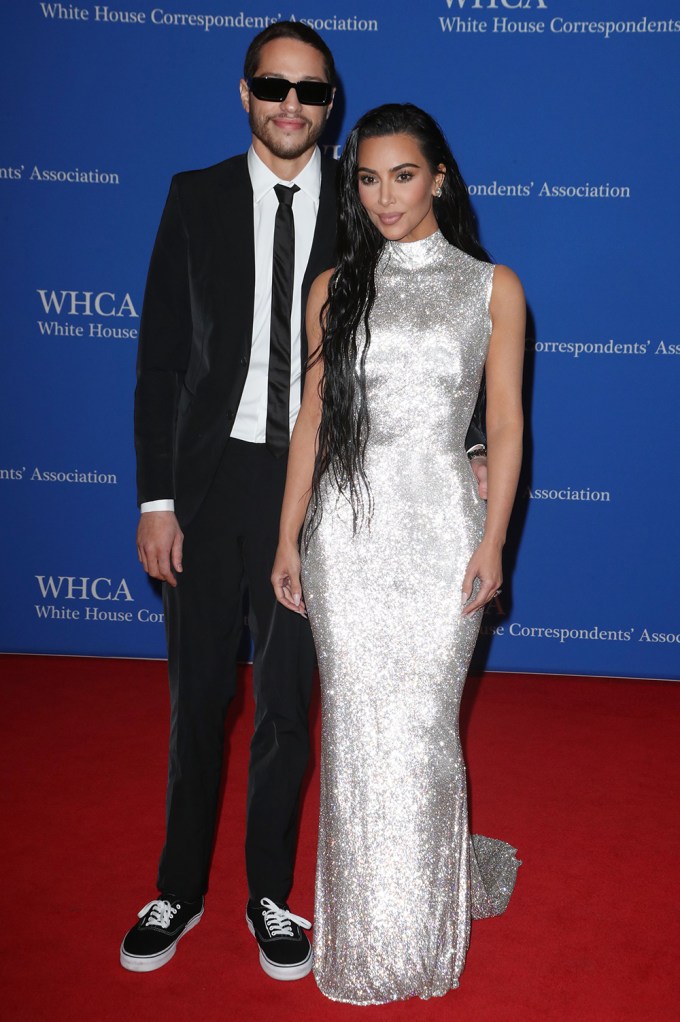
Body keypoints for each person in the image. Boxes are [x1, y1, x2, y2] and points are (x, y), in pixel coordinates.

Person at [123, 23, 487, 978]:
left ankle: (271, 897)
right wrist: (155, 498)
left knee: (287, 707)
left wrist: (477, 442)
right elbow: (160, 359)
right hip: (206, 485)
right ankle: (177, 889)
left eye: (312, 92)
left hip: (326, 493)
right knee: (197, 697)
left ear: (332, 106)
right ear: (245, 94)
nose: (292, 104)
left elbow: (439, 330)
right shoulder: (193, 199)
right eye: (274, 86)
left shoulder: (364, 210)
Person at [272, 103, 524, 1004]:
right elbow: (312, 421)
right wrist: (290, 536)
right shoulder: (333, 289)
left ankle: (423, 920)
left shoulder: (491, 287)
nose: (385, 196)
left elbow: (502, 421)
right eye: (368, 179)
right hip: (348, 529)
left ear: (440, 179)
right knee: (357, 729)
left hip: (444, 528)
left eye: (404, 176)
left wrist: (493, 541)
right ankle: (373, 936)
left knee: (420, 728)